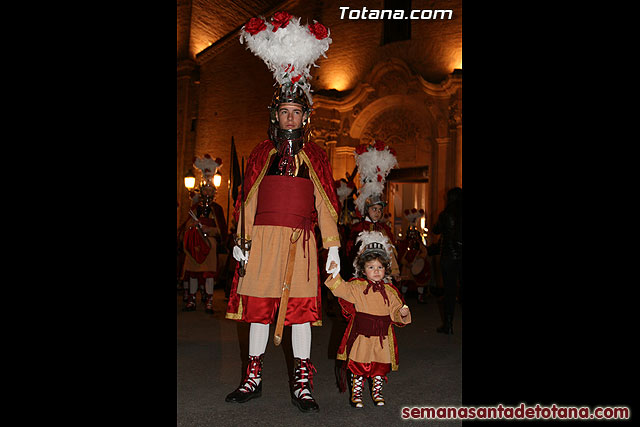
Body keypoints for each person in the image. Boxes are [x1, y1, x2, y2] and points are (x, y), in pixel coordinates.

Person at [224, 12, 340, 413]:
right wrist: (242, 243)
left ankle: (303, 383)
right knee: (258, 311)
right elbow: (248, 201)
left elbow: (325, 205)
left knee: (301, 315)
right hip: (263, 245)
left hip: (302, 245)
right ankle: (252, 376)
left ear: (305, 118)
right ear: (275, 116)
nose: (290, 117)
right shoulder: (260, 156)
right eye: (284, 111)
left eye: (296, 112)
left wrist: (333, 247)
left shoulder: (316, 158)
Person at [325, 231, 411, 408]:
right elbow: (342, 289)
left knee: (379, 367)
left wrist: (401, 313)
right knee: (359, 365)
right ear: (363, 269)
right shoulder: (357, 287)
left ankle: (377, 391)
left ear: (385, 269)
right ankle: (356, 393)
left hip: (381, 338)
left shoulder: (390, 291)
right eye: (371, 267)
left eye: (380, 267)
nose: (376, 271)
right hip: (362, 337)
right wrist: (334, 273)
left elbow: (396, 309)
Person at [181, 155, 228, 313]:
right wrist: (192, 226)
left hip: (210, 245)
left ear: (213, 191)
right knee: (192, 273)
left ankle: (209, 301)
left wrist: (211, 231)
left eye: (210, 189)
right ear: (202, 190)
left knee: (208, 274)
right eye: (205, 189)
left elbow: (222, 230)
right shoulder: (195, 207)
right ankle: (192, 300)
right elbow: (186, 225)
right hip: (195, 244)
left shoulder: (217, 209)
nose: (207, 191)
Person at [432, 187, 462, 334]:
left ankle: (448, 324)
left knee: (449, 291)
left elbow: (436, 230)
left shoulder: (446, 214)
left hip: (449, 257)